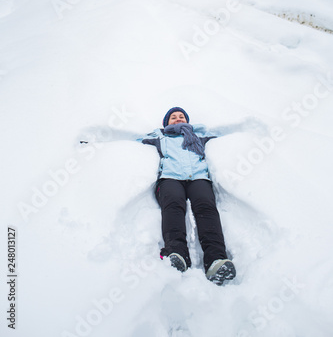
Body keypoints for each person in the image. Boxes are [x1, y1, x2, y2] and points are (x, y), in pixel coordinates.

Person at [80, 106, 239, 285]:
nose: (178, 119)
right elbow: (129, 143)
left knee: (206, 207)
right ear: (166, 122)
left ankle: (216, 260)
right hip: (170, 178)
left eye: (181, 117)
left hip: (198, 178)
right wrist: (94, 145)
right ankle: (177, 253)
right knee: (173, 206)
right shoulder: (159, 136)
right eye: (173, 117)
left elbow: (229, 142)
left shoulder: (200, 136)